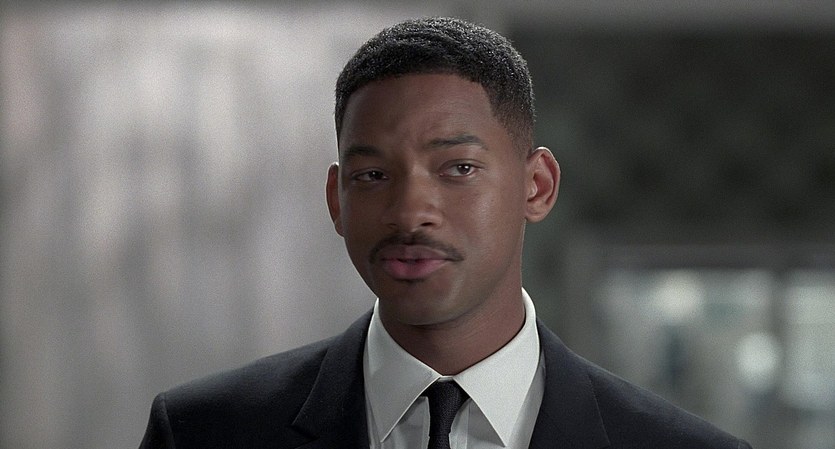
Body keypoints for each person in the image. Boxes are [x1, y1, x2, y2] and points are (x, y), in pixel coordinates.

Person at [139, 17, 752, 449]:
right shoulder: (203, 433)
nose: (410, 213)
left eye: (458, 169)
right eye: (373, 175)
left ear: (536, 187)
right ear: (336, 200)